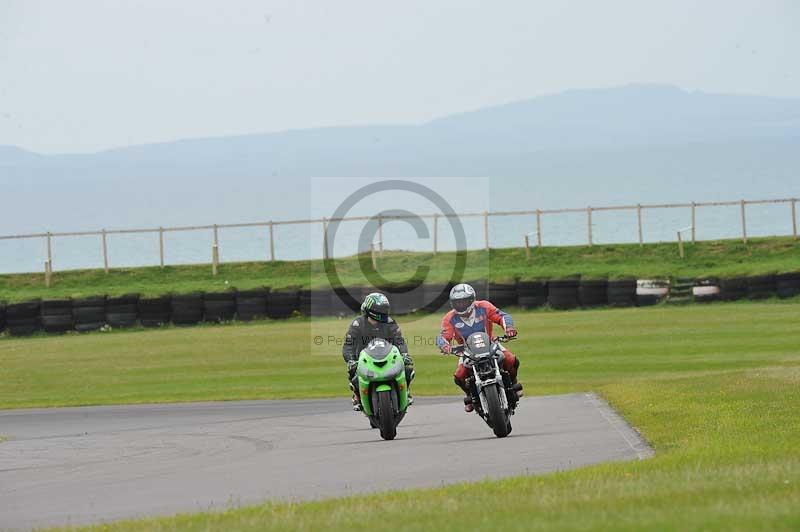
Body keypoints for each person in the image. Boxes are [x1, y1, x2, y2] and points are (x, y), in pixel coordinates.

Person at [436, 283, 522, 412]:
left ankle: (513, 383)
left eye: (464, 301)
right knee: (459, 376)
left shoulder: (484, 307)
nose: (461, 305)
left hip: (490, 344)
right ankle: (470, 396)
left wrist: (509, 328)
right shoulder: (449, 318)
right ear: (452, 303)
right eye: (457, 302)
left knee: (510, 359)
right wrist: (445, 346)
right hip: (466, 350)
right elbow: (443, 336)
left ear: (472, 299)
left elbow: (502, 316)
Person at [342, 292, 414, 411]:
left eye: (385, 309)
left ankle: (406, 391)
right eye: (381, 309)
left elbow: (399, 341)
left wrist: (404, 354)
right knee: (353, 372)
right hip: (365, 359)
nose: (385, 312)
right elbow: (347, 346)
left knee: (408, 368)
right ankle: (357, 396)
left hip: (388, 356)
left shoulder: (390, 323)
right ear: (372, 310)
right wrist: (351, 360)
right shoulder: (357, 324)